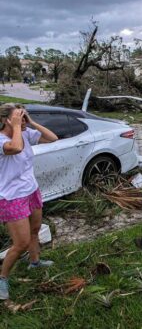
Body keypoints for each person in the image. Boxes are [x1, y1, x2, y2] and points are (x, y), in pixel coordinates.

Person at [0, 103, 58, 300]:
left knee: (35, 230)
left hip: (31, 191)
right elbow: (15, 148)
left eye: (24, 116)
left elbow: (52, 138)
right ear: (6, 120)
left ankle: (34, 262)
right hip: (11, 197)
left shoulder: (25, 133)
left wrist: (31, 122)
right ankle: (2, 278)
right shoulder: (2, 140)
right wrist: (16, 126)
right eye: (19, 117)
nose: (23, 120)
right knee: (21, 243)